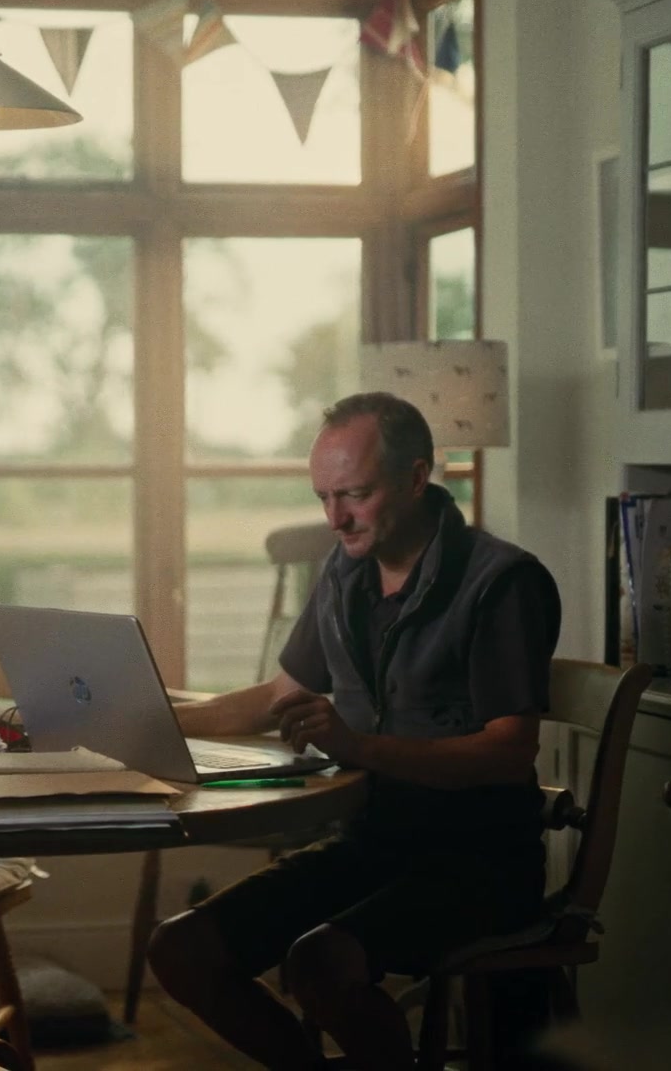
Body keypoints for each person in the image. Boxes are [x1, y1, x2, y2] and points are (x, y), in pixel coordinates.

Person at [146, 391, 561, 1070]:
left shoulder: (501, 582)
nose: (336, 518)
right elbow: (281, 695)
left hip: (481, 859)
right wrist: (147, 718)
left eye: (356, 494)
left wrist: (357, 746)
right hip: (373, 841)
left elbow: (510, 752)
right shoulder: (345, 570)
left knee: (319, 961)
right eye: (324, 497)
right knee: (181, 949)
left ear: (419, 476)